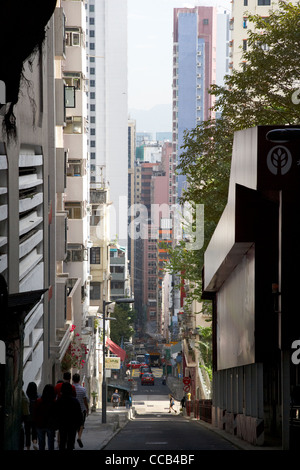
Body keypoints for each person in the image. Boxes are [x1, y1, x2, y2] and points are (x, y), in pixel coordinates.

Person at [54, 382, 83, 451]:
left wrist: (56, 423)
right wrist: (80, 424)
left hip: (62, 424)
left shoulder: (59, 400)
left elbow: (56, 412)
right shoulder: (75, 401)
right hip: (72, 425)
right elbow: (79, 413)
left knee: (62, 441)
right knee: (71, 441)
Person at [33, 384, 56, 451]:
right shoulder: (54, 402)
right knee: (51, 443)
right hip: (50, 425)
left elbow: (35, 413)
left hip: (40, 424)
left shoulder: (38, 401)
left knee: (41, 443)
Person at [72, 373, 89, 448]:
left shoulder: (71, 388)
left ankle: (72, 442)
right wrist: (87, 408)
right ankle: (79, 437)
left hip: (72, 410)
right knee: (81, 425)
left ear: (72, 380)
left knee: (73, 426)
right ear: (79, 380)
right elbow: (85, 400)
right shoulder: (83, 389)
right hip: (81, 410)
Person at [24, 382, 38, 450]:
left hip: (27, 418)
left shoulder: (26, 398)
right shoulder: (37, 397)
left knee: (27, 433)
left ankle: (28, 448)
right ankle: (35, 444)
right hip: (35, 418)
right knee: (34, 432)